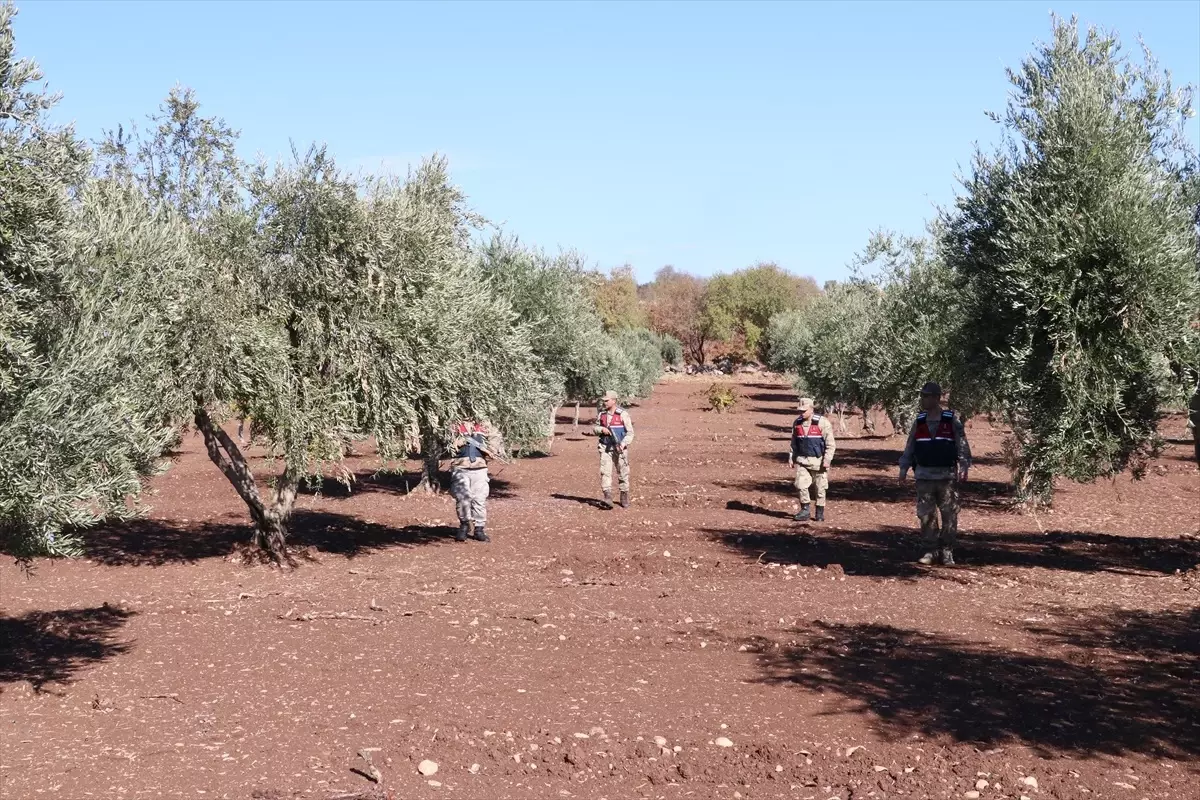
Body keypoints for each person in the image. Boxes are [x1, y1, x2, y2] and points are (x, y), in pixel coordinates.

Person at [898, 382, 971, 565]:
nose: (923, 399)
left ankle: (947, 551)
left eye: (927, 396)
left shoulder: (950, 419)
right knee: (926, 515)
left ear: (936, 398)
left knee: (949, 515)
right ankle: (930, 550)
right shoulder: (920, 420)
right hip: (924, 476)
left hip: (946, 477)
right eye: (922, 396)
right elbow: (910, 446)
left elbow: (961, 444)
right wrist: (903, 468)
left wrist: (964, 465)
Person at [448, 419, 503, 542]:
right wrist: (459, 441)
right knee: (462, 498)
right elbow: (447, 442)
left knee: (479, 498)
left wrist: (492, 449)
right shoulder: (455, 422)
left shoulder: (484, 423)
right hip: (460, 467)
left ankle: (479, 529)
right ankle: (464, 525)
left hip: (480, 468)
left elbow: (495, 436)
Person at [788, 397, 836, 521]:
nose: (801, 413)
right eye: (800, 410)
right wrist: (791, 457)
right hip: (803, 461)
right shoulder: (797, 423)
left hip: (819, 462)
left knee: (820, 488)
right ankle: (805, 510)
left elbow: (830, 444)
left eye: (804, 410)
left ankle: (819, 513)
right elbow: (794, 443)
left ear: (811, 409)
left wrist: (827, 460)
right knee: (800, 485)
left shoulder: (822, 422)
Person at [594, 390, 636, 509]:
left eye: (607, 401)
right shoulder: (602, 414)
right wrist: (601, 430)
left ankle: (624, 496)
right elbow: (595, 428)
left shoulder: (622, 414)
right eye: (604, 401)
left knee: (623, 472)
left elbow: (630, 433)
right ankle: (607, 497)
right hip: (605, 447)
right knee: (605, 472)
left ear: (614, 400)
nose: (605, 403)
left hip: (619, 448)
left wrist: (622, 444)